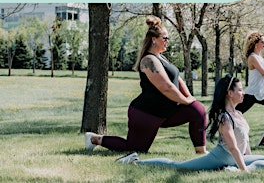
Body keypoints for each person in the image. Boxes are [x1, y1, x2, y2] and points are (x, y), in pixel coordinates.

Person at [85, 16, 207, 154]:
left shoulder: (162, 57)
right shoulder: (148, 60)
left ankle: (201, 152)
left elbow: (177, 79)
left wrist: (190, 98)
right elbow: (166, 87)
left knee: (198, 110)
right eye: (165, 38)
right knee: (135, 149)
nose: (168, 41)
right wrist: (185, 101)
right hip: (146, 113)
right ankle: (95, 139)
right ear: (154, 39)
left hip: (166, 112)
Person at [115, 75, 264, 172]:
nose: (243, 93)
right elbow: (233, 147)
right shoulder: (225, 117)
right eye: (240, 90)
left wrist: (247, 162)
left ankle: (233, 170)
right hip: (220, 157)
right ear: (230, 93)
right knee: (178, 166)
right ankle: (135, 161)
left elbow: (245, 145)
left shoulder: (240, 114)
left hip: (235, 160)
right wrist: (244, 169)